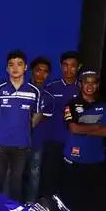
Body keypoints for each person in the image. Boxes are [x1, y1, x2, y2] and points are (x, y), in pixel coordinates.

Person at [0, 50, 42, 201]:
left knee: (16, 182)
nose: (15, 68)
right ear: (7, 68)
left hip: (22, 144)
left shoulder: (34, 91)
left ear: (25, 67)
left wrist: (26, 128)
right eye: (11, 65)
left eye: (19, 64)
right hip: (0, 144)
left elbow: (38, 114)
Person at [62, 71, 106, 211]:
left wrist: (85, 128)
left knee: (90, 190)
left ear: (97, 85)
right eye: (86, 82)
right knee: (72, 189)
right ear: (80, 84)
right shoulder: (72, 104)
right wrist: (96, 127)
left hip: (95, 155)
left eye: (93, 82)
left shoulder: (104, 106)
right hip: (74, 154)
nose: (90, 86)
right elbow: (74, 129)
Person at [41, 51, 82, 198]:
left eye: (73, 66)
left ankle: (67, 206)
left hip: (74, 142)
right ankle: (47, 206)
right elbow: (43, 114)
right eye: (65, 65)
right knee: (49, 178)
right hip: (52, 140)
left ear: (79, 67)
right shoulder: (52, 87)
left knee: (70, 179)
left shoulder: (83, 89)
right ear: (61, 66)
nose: (69, 69)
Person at [24, 56, 55, 202]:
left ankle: (30, 205)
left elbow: (35, 121)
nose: (41, 74)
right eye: (38, 70)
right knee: (12, 175)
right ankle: (11, 205)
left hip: (36, 141)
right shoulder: (21, 91)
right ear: (31, 71)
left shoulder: (48, 97)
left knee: (34, 174)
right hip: (16, 142)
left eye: (45, 71)